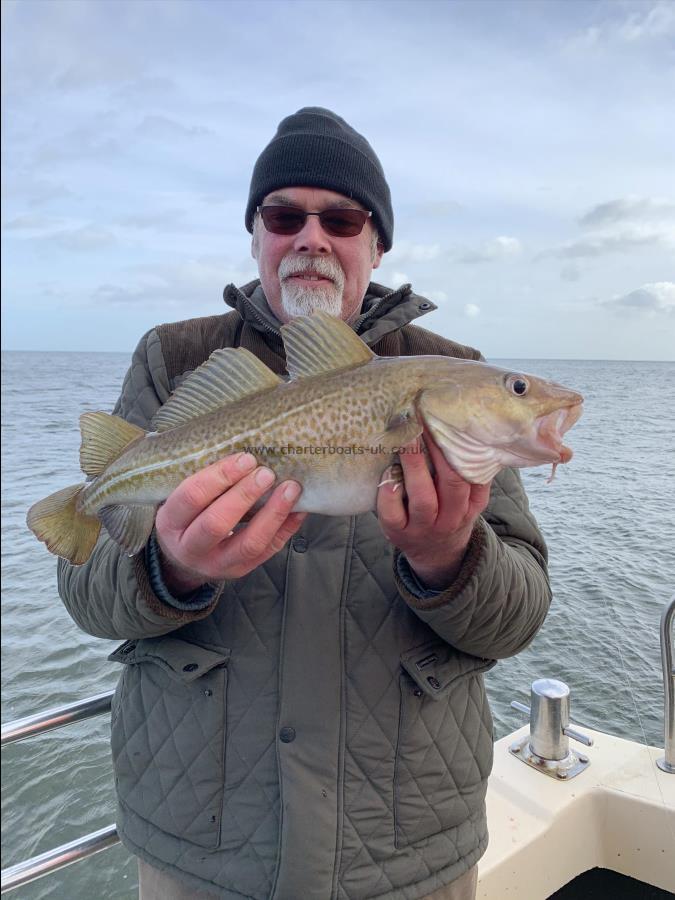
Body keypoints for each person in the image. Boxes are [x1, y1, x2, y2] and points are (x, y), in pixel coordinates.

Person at [57, 107, 551, 900]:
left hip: (406, 850)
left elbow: (518, 618)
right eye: (284, 215)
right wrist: (170, 568)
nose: (312, 238)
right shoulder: (173, 357)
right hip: (202, 849)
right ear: (255, 236)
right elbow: (87, 593)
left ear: (376, 242)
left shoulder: (454, 373)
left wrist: (448, 559)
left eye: (342, 218)